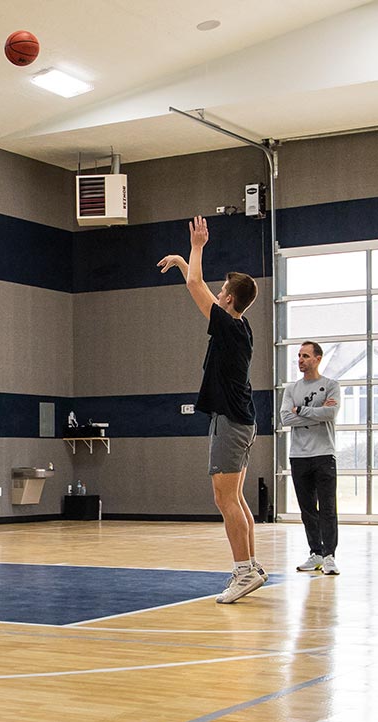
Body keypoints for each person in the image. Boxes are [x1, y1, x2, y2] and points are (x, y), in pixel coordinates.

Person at [158, 216, 265, 604]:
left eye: (222, 292)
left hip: (231, 422)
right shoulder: (242, 325)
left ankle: (243, 572)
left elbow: (194, 287)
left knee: (224, 500)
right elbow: (197, 283)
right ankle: (251, 566)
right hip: (242, 420)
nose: (217, 295)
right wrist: (186, 263)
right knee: (234, 499)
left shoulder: (229, 326)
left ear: (230, 300)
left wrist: (197, 248)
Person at [279, 342, 341, 575]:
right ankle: (315, 552)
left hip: (324, 455)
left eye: (305, 356)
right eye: (299, 356)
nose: (301, 360)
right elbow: (285, 418)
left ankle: (329, 556)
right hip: (299, 456)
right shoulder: (291, 389)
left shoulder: (331, 386)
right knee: (307, 509)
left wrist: (301, 411)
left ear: (318, 358)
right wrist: (314, 414)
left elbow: (330, 413)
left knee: (327, 508)